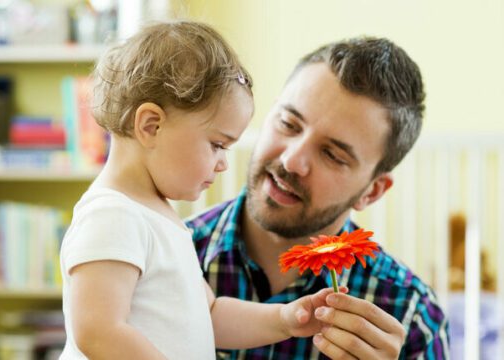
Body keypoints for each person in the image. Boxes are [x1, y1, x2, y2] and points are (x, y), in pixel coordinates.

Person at [59, 21, 350, 360]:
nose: (223, 162)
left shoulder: (158, 216)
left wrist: (284, 319)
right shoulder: (112, 214)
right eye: (217, 144)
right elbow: (97, 331)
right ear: (151, 126)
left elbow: (210, 315)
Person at [186, 37, 450, 359]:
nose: (291, 161)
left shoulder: (412, 316)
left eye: (332, 154)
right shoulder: (167, 257)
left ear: (373, 191)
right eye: (288, 123)